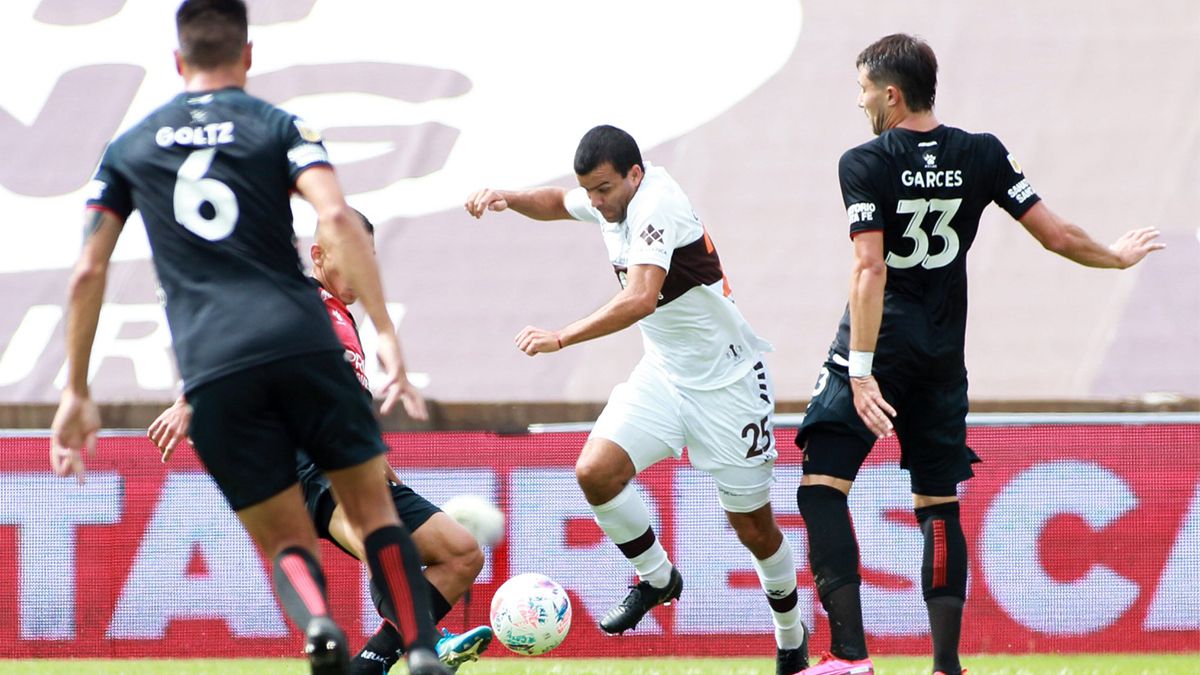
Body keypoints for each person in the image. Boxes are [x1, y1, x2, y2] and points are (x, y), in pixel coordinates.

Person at [48, 2, 451, 673]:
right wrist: (387, 334)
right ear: (248, 55)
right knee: (376, 512)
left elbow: (88, 269)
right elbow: (337, 217)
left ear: (178, 61)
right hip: (304, 342)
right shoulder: (280, 126)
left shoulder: (129, 148)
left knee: (287, 541)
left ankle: (319, 622)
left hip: (215, 364)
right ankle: (419, 650)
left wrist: (77, 390)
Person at [793, 34, 1164, 675]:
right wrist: (1113, 256)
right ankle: (946, 665)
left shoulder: (863, 162)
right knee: (937, 503)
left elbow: (870, 268)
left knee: (821, 489)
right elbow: (1057, 235)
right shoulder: (982, 153)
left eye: (863, 90)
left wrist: (860, 372)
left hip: (880, 347)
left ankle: (850, 656)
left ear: (891, 94)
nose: (860, 103)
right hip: (942, 354)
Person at [465, 125, 810, 675]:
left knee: (754, 528)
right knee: (595, 472)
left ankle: (791, 637)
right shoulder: (610, 198)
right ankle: (657, 579)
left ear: (634, 174)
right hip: (664, 377)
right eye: (591, 190)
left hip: (728, 386)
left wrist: (562, 337)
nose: (597, 202)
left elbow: (642, 298)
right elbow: (556, 201)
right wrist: (507, 197)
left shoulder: (658, 204)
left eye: (604, 189)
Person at [147, 211, 493, 674]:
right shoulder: (298, 297)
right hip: (311, 464)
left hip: (356, 463)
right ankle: (426, 641)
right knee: (381, 547)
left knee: (462, 553)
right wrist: (190, 400)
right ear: (318, 255)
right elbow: (234, 337)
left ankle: (374, 664)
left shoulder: (342, 317)